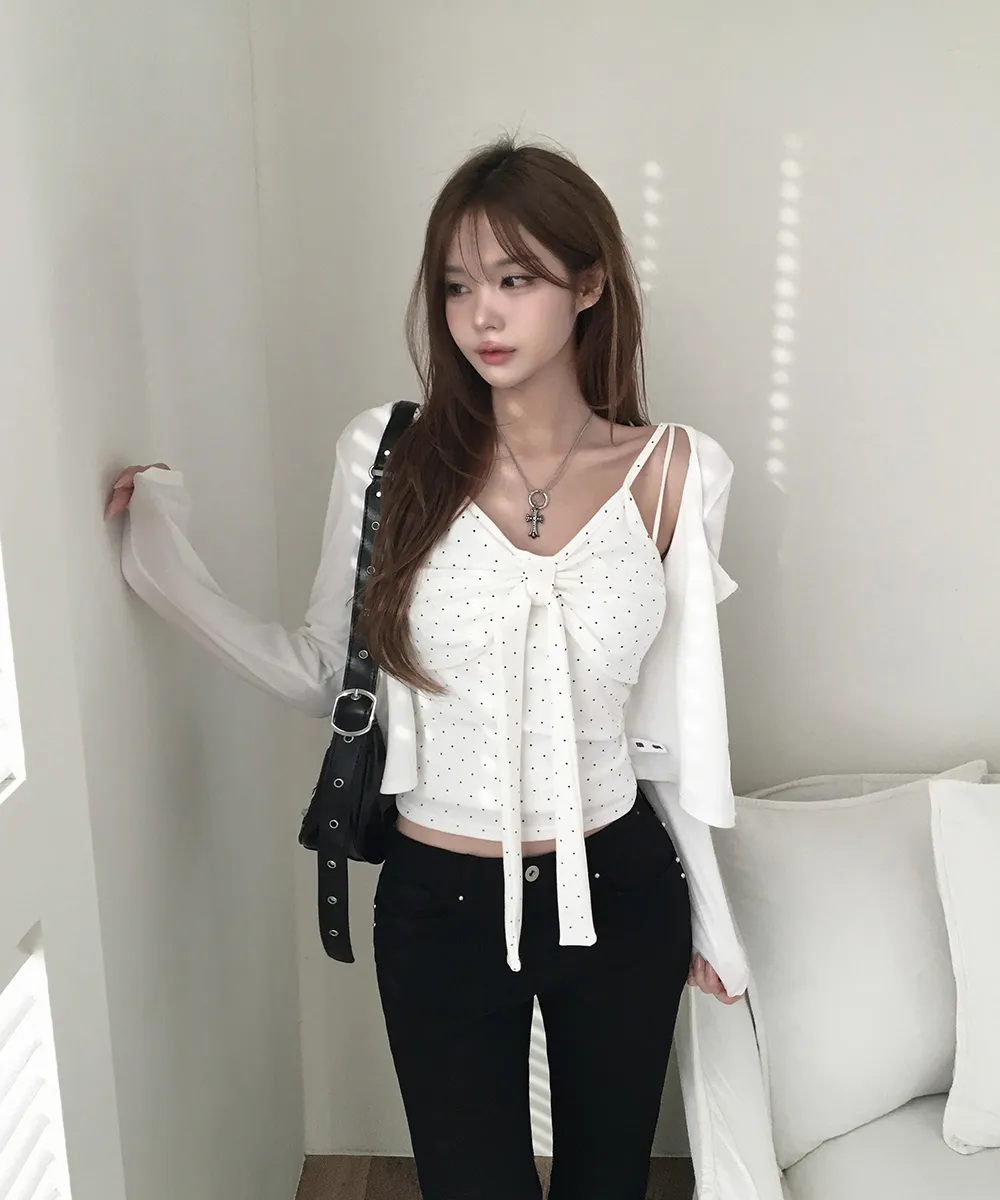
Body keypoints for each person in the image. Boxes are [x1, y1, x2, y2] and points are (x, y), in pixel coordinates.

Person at [105, 135, 748, 1200]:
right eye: (456, 286)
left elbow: (674, 729)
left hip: (622, 889)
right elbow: (328, 673)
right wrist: (161, 560)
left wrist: (715, 920)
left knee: (607, 1186)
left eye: (515, 279)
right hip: (439, 901)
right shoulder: (387, 455)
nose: (480, 314)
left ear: (589, 285)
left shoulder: (678, 468)